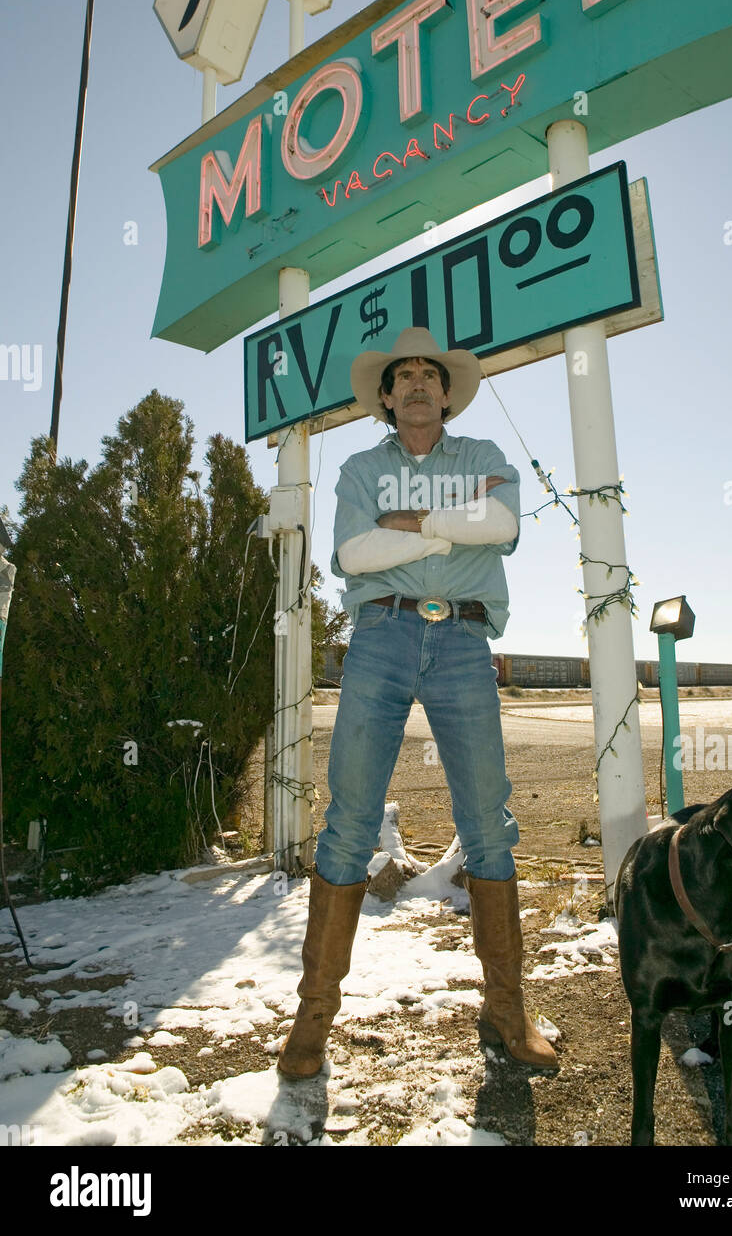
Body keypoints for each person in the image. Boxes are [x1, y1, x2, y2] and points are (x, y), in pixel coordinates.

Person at [277, 327, 557, 1078]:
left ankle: (506, 1011)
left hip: (464, 642)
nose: (418, 384)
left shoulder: (484, 459)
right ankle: (312, 1022)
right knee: (348, 823)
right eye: (403, 376)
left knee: (488, 825)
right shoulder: (364, 466)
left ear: (446, 391)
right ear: (386, 396)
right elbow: (353, 554)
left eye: (430, 374)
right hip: (381, 635)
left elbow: (499, 526)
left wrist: (413, 526)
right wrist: (447, 533)